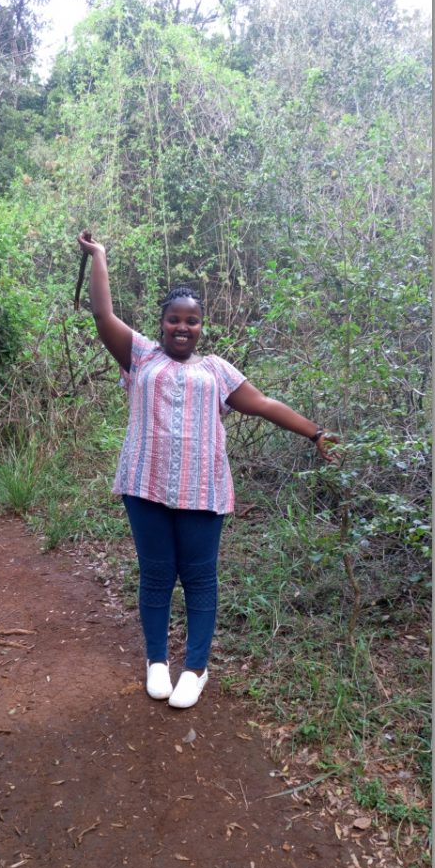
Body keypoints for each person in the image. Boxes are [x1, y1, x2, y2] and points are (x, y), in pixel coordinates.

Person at [76, 230, 339, 709]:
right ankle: (157, 660)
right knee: (156, 576)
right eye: (174, 320)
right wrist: (100, 257)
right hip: (145, 485)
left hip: (203, 491)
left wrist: (315, 432)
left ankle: (195, 667)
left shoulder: (217, 370)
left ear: (201, 326)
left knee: (199, 578)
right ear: (161, 324)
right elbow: (102, 315)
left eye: (191, 321)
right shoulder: (139, 356)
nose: (182, 327)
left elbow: (262, 403)